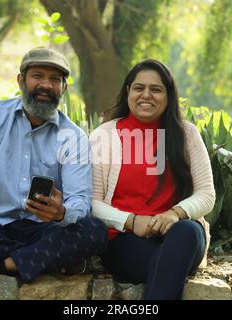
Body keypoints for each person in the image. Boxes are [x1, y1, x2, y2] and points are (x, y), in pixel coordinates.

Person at [0, 48, 108, 283]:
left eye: (55, 79)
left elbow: (80, 200)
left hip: (43, 228)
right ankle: (47, 260)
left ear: (64, 88)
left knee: (93, 231)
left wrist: (61, 212)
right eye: (38, 76)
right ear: (21, 80)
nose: (46, 85)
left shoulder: (73, 137)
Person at [89, 59, 215, 299]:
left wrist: (174, 213)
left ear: (168, 95)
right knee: (168, 268)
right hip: (126, 241)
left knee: (187, 231)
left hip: (181, 238)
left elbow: (207, 194)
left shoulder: (186, 134)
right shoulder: (104, 136)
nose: (146, 95)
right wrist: (131, 221)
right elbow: (92, 204)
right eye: (139, 88)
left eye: (156, 89)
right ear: (128, 92)